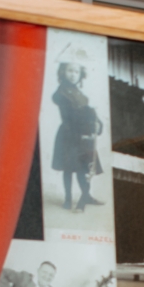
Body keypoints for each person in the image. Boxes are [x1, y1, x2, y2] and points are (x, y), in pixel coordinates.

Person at [50, 55, 103, 213]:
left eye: (76, 71)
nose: (73, 74)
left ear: (80, 74)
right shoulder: (61, 93)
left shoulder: (78, 92)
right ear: (63, 72)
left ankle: (85, 195)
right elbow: (74, 114)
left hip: (83, 133)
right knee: (69, 167)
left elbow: (88, 111)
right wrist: (90, 114)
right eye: (70, 70)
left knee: (84, 166)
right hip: (69, 134)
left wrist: (97, 122)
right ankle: (67, 199)